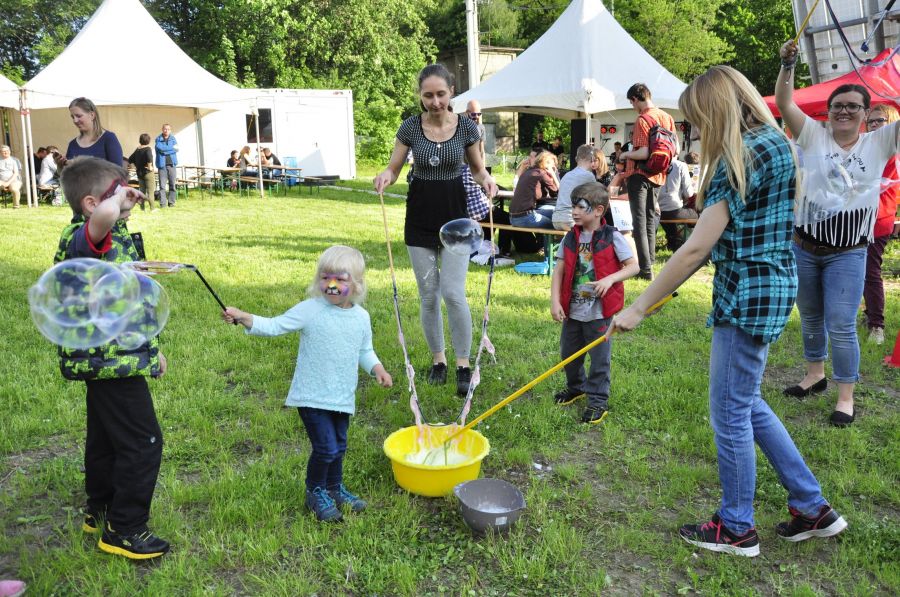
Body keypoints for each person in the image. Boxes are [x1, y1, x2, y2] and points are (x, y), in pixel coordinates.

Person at [613, 65, 847, 557]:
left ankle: (737, 526)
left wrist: (639, 306)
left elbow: (695, 249)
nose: (698, 130)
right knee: (747, 403)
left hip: (747, 294)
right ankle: (811, 505)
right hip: (770, 286)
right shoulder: (776, 142)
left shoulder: (740, 154)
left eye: (699, 118)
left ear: (718, 108)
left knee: (730, 413)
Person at [776, 40, 899, 426]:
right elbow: (784, 102)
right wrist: (788, 64)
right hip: (805, 247)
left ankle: (846, 395)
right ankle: (815, 375)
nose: (844, 110)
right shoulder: (812, 135)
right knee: (810, 316)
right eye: (838, 105)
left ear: (866, 114)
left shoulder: (880, 141)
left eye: (853, 106)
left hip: (849, 252)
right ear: (828, 112)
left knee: (841, 324)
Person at [222, 245, 392, 522]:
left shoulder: (361, 317)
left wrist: (378, 369)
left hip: (341, 396)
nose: (332, 284)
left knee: (340, 445)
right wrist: (244, 317)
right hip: (311, 395)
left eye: (341, 278)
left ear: (358, 285)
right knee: (325, 448)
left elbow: (364, 350)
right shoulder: (311, 310)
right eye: (326, 277)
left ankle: (334, 489)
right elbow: (276, 325)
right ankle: (315, 492)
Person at [56, 156, 170, 559]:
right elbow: (102, 218)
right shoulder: (83, 238)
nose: (127, 195)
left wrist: (151, 351)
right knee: (143, 442)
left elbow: (131, 303)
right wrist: (115, 200)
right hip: (109, 361)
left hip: (114, 357)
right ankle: (125, 528)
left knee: (104, 440)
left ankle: (100, 508)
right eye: (116, 191)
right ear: (91, 204)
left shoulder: (110, 233)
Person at [374, 63, 498, 396]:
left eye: (440, 94)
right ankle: (438, 360)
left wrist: (487, 180)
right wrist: (386, 176)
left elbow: (477, 169)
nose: (435, 101)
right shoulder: (410, 127)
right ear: (420, 96)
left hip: (456, 220)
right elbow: (394, 168)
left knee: (454, 294)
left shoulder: (466, 129)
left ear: (451, 92)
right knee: (428, 297)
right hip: (419, 219)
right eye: (428, 95)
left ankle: (462, 363)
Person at [550, 182, 638, 424]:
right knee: (569, 354)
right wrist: (554, 300)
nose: (575, 212)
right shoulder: (571, 237)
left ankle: (598, 400)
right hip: (573, 310)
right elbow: (558, 270)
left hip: (599, 313)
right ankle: (576, 388)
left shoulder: (612, 236)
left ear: (598, 210)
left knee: (599, 359)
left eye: (581, 207)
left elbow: (634, 266)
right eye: (573, 207)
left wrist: (610, 279)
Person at [618, 83, 676, 280]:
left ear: (635, 98)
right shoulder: (666, 117)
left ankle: (644, 270)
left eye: (631, 102)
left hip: (640, 175)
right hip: (659, 175)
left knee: (639, 222)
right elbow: (673, 150)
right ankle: (650, 263)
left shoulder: (643, 119)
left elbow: (643, 152)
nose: (632, 106)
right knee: (651, 219)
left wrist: (625, 154)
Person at [861, 104, 898, 345]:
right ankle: (869, 317)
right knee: (861, 271)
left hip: (878, 219)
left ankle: (877, 325)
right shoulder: (868, 146)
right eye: (871, 121)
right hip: (860, 217)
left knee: (870, 272)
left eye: (880, 120)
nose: (874, 125)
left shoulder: (890, 148)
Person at [61, 98, 123, 166]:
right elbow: (67, 175)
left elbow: (118, 172)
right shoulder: (72, 144)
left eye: (79, 116)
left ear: (92, 115)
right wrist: (60, 166)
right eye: (72, 117)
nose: (75, 120)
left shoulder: (109, 138)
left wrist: (79, 165)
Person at [553, 144, 600, 231]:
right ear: (592, 159)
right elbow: (598, 197)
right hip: (571, 220)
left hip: (556, 219)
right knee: (599, 221)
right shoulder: (588, 175)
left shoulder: (568, 174)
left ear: (576, 159)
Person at [509, 150, 559, 229]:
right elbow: (557, 192)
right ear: (546, 164)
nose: (554, 168)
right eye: (553, 166)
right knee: (557, 224)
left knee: (554, 213)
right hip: (526, 218)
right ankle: (547, 241)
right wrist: (553, 174)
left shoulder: (528, 172)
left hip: (513, 218)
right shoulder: (542, 173)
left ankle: (540, 240)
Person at [658, 157, 698, 251]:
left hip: (657, 211)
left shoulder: (655, 163)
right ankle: (696, 244)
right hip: (674, 210)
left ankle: (674, 242)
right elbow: (689, 193)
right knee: (699, 214)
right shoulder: (681, 165)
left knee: (671, 217)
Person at [127, 134, 156, 211]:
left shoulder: (137, 149)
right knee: (150, 191)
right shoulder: (148, 149)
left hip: (139, 173)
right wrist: (150, 167)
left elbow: (130, 159)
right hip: (147, 173)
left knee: (142, 191)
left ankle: (142, 208)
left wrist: (134, 167)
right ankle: (152, 208)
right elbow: (149, 158)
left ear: (140, 140)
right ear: (148, 140)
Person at [155, 124, 178, 208]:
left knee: (172, 185)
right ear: (162, 129)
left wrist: (166, 150)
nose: (166, 131)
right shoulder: (158, 139)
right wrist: (171, 149)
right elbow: (160, 148)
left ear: (170, 130)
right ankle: (163, 204)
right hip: (162, 166)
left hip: (172, 165)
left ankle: (171, 203)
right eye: (165, 129)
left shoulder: (173, 138)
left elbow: (177, 149)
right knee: (162, 186)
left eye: (168, 129)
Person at [465, 99, 486, 169]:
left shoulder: (481, 128)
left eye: (479, 114)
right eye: (473, 114)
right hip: (463, 167)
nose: (476, 117)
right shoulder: (460, 127)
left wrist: (483, 168)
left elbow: (482, 151)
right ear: (467, 113)